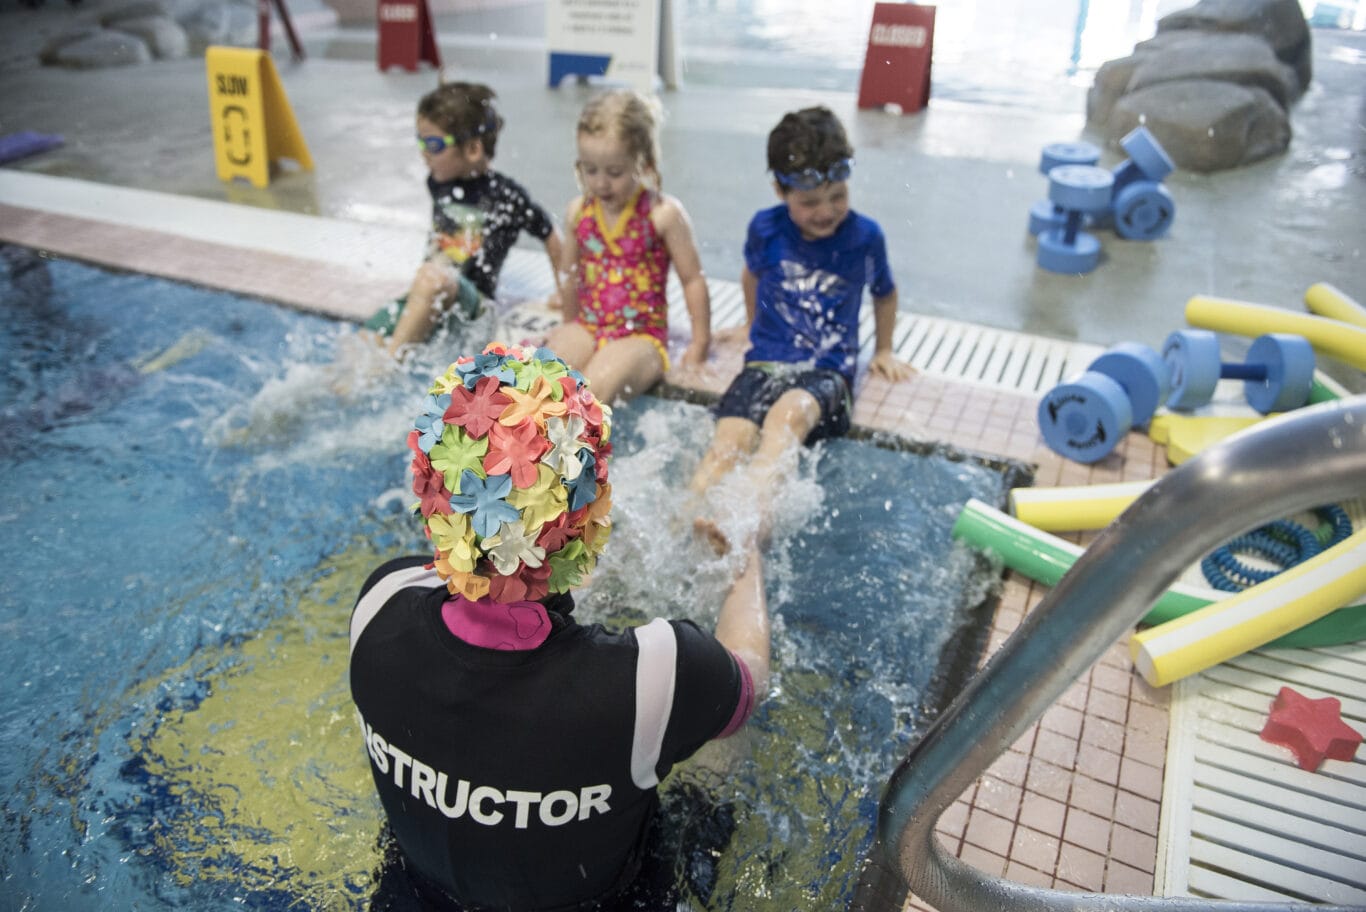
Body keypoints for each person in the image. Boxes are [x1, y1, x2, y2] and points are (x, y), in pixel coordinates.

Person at [349, 343, 769, 911]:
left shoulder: (379, 605)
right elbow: (751, 676)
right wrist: (748, 551)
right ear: (585, 514)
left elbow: (482, 575)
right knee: (727, 736)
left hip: (410, 896)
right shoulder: (658, 674)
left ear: (432, 487)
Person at [689, 106, 915, 552]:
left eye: (837, 195)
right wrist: (752, 324)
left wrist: (884, 349)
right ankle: (685, 526)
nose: (826, 211)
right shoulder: (765, 228)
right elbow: (751, 275)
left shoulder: (865, 237)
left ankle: (744, 523)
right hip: (765, 363)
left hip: (825, 373)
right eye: (809, 202)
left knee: (786, 419)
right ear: (780, 189)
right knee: (727, 443)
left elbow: (884, 293)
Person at [366, 82, 564, 357]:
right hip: (432, 296)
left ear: (472, 149)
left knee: (433, 277)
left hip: (474, 308)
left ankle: (390, 364)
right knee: (364, 340)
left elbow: (551, 236)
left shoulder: (506, 195)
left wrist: (564, 294)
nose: (423, 152)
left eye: (433, 144)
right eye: (420, 141)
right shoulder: (439, 182)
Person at [544, 90, 711, 404]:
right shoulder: (579, 212)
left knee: (589, 397)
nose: (600, 184)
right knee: (538, 384)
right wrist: (570, 327)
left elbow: (693, 279)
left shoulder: (662, 214)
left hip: (642, 338)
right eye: (589, 170)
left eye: (615, 173)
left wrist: (699, 345)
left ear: (643, 163)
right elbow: (569, 274)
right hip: (588, 326)